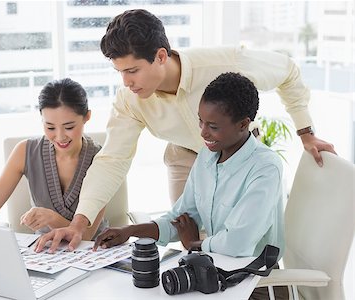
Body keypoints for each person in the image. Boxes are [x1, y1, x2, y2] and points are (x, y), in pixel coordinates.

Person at [35, 8, 336, 252]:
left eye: (132, 70)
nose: (126, 82)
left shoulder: (225, 63)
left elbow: (288, 71)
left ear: (161, 56)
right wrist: (80, 223)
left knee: (242, 243)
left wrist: (306, 132)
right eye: (119, 72)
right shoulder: (130, 99)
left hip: (240, 153)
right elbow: (112, 161)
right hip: (189, 158)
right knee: (189, 240)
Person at [92, 72, 288, 299]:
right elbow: (181, 218)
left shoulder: (265, 167)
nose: (203, 132)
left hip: (257, 284)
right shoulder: (207, 157)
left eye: (213, 126)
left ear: (244, 124)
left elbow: (238, 242)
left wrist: (194, 244)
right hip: (215, 272)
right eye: (200, 121)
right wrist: (130, 231)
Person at [0, 78, 106, 240]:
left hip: (91, 253)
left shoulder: (103, 160)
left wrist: (53, 219)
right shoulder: (25, 152)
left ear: (87, 116)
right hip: (44, 253)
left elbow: (85, 236)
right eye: (50, 127)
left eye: (69, 127)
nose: (60, 137)